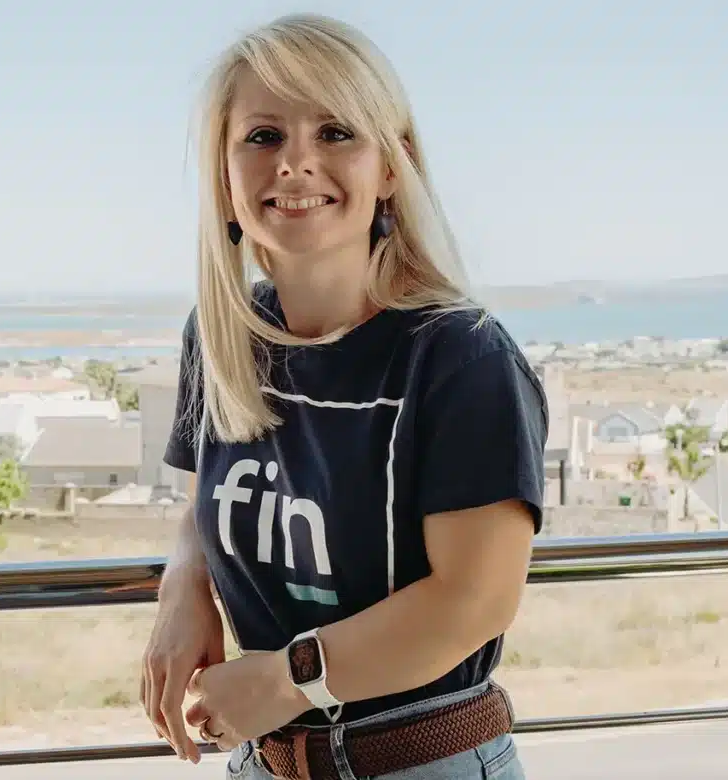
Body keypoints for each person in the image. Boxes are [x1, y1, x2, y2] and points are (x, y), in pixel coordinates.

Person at [140, 12, 549, 780]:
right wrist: (182, 589)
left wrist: (280, 680)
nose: (295, 164)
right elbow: (203, 502)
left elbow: (473, 602)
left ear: (392, 168)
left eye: (335, 132)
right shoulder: (223, 335)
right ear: (224, 177)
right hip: (266, 764)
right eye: (263, 137)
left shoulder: (459, 356)